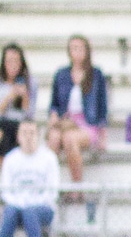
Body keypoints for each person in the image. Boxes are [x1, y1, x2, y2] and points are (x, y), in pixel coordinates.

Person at [47, 35, 110, 192]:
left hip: (87, 123)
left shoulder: (96, 75)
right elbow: (54, 104)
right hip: (66, 121)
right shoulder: (61, 75)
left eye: (81, 48)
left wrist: (103, 134)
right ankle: (50, 186)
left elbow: (102, 105)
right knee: (53, 138)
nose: (77, 52)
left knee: (69, 140)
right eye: (74, 48)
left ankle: (77, 188)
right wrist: (53, 115)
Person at [0, 120, 62, 237]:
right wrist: (22, 202)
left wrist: (29, 203)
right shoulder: (10, 159)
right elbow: (6, 192)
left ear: (38, 136)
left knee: (30, 210)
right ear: (18, 136)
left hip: (43, 208)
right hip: (17, 207)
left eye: (32, 132)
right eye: (24, 133)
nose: (28, 137)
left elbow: (53, 191)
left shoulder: (49, 158)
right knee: (11, 210)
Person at [0, 44, 34, 170]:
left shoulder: (30, 82)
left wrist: (25, 97)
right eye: (9, 61)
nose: (13, 64)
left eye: (16, 60)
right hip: (2, 125)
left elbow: (29, 116)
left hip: (21, 126)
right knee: (2, 132)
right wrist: (9, 97)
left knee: (3, 131)